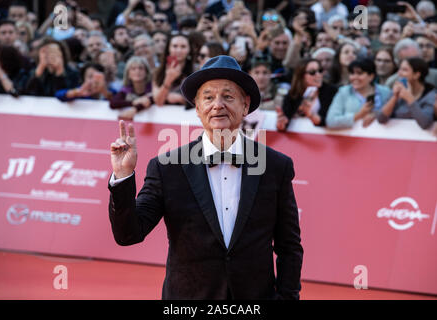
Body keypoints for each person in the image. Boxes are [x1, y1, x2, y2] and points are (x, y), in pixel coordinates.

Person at [108, 55, 303, 300]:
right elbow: (128, 235)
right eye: (208, 97)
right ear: (198, 108)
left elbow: (289, 246)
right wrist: (123, 176)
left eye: (228, 96)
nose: (218, 105)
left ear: (245, 105)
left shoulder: (276, 166)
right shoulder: (167, 167)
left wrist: (288, 297)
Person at [326, 58, 392, 129]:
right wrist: (358, 115)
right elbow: (331, 121)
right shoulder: (344, 92)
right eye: (352, 73)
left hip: (380, 137)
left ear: (371, 76)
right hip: (352, 138)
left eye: (359, 73)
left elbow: (393, 116)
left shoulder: (385, 92)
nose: (354, 77)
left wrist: (375, 115)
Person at [377, 57, 435, 129]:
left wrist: (410, 99)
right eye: (399, 69)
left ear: (416, 75)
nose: (399, 73)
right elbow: (381, 119)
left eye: (404, 70)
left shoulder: (430, 95)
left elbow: (425, 123)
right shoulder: (398, 90)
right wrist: (394, 98)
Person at [278, 58, 337, 129]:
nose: (318, 74)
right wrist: (282, 124)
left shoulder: (331, 91)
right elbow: (285, 121)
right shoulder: (292, 95)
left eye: (320, 70)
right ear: (301, 76)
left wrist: (310, 115)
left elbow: (328, 121)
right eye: (312, 72)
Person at [152, 33, 193, 106]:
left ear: (189, 50)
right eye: (175, 46)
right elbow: (158, 102)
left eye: (183, 46)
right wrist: (168, 79)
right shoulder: (158, 71)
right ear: (168, 49)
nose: (179, 50)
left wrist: (181, 99)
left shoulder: (197, 70)